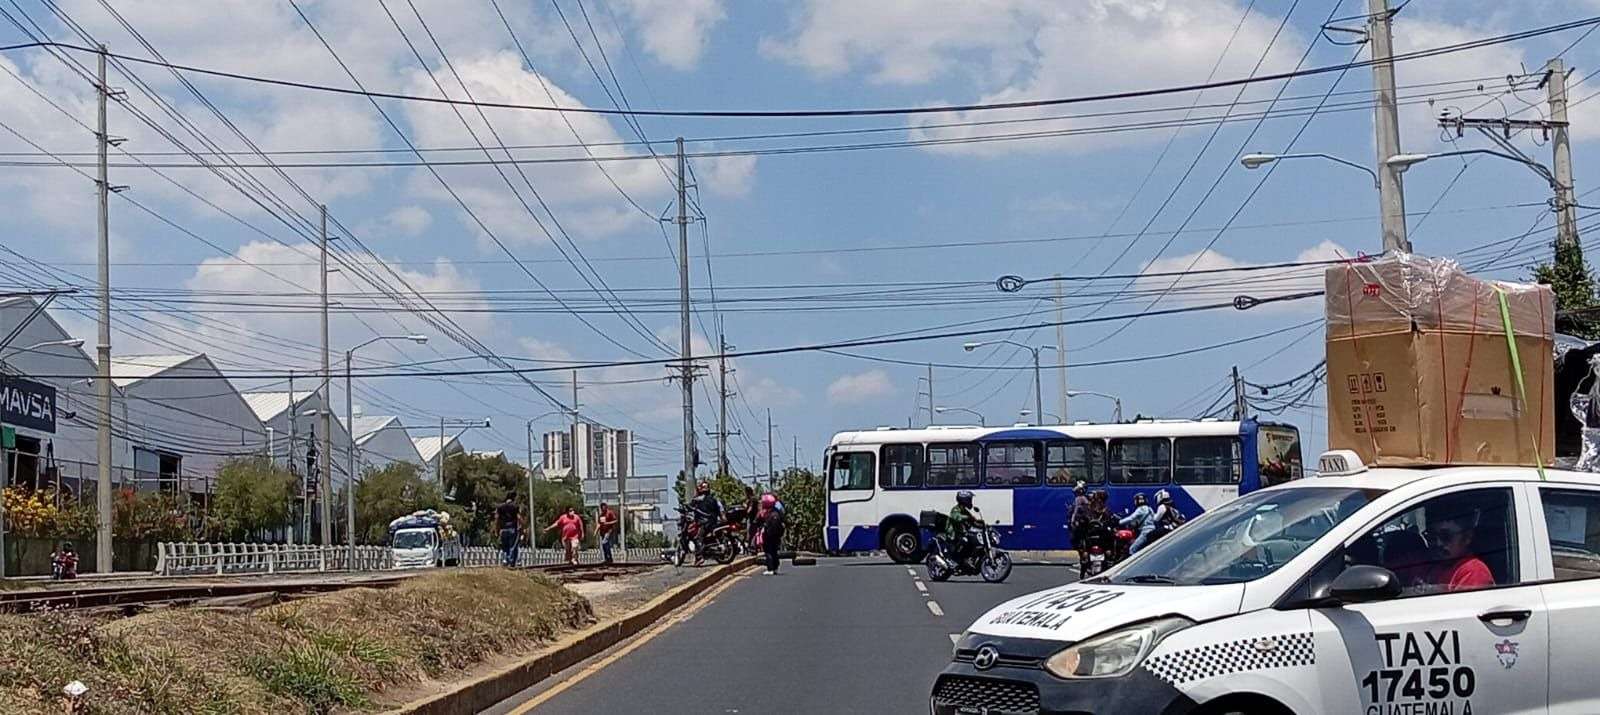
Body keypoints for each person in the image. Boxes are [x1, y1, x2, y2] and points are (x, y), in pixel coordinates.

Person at [1423, 516, 1494, 592]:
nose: (1438, 543)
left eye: (1446, 536)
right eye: (1432, 536)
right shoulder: (1437, 567)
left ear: (1467, 537)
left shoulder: (1474, 571)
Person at [688, 481, 723, 566]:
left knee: (697, 538)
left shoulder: (699, 499)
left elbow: (690, 506)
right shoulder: (714, 499)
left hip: (705, 523)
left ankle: (700, 557)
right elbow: (720, 510)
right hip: (713, 522)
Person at [946, 490, 982, 563]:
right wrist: (967, 518)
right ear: (964, 500)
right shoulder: (956, 509)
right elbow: (956, 517)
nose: (970, 501)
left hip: (961, 532)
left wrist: (981, 524)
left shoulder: (964, 510)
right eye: (969, 499)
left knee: (973, 540)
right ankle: (954, 559)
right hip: (953, 533)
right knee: (964, 540)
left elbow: (972, 520)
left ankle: (968, 558)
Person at [756, 493, 785, 575]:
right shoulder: (777, 511)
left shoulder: (764, 512)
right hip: (777, 534)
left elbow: (757, 521)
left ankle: (770, 568)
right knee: (774, 551)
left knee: (768, 551)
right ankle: (775, 567)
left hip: (768, 534)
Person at [1068, 481, 1092, 561]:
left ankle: (1083, 559)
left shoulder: (1079, 499)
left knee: (1075, 540)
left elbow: (1076, 510)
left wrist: (1072, 521)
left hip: (1080, 524)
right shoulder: (1087, 498)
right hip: (1087, 523)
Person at [495, 495, 521, 567]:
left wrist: (496, 530)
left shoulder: (500, 508)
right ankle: (511, 562)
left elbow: (497, 519)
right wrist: (522, 527)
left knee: (504, 546)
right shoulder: (515, 507)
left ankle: (505, 560)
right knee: (512, 546)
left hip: (503, 529)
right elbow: (519, 517)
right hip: (512, 528)